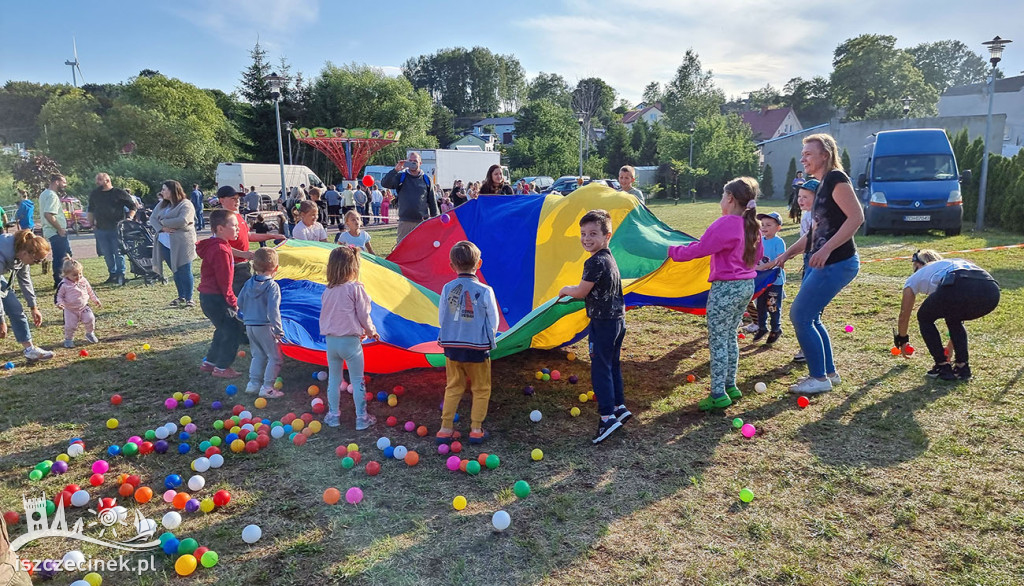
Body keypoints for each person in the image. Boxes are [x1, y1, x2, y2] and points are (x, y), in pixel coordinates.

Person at [773, 134, 864, 395]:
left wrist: (826, 249)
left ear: (825, 154)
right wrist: (786, 255)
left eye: (808, 154)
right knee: (811, 316)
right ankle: (829, 373)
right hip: (827, 261)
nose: (803, 158)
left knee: (800, 315)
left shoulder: (836, 178)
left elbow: (857, 217)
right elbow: (813, 231)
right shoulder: (822, 184)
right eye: (802, 154)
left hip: (837, 262)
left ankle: (817, 378)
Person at [667, 177, 762, 411]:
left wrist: (671, 251)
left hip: (726, 288)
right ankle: (730, 385)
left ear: (729, 198)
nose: (721, 201)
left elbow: (700, 249)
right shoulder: (752, 225)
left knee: (718, 340)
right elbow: (757, 257)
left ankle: (718, 393)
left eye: (722, 196)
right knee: (730, 336)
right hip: (745, 287)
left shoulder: (725, 223)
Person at [559, 210, 631, 443]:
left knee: (600, 368)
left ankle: (608, 417)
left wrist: (565, 290)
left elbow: (581, 292)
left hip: (603, 323)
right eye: (583, 234)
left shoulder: (594, 262)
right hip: (618, 320)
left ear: (607, 236)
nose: (586, 238)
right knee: (612, 365)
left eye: (593, 233)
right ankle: (619, 406)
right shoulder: (609, 258)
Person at [895, 250, 1000, 381]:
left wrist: (903, 340)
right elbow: (958, 312)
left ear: (917, 264)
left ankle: (942, 366)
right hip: (991, 291)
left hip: (959, 283)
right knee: (954, 317)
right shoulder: (952, 263)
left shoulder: (916, 277)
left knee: (924, 317)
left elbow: (904, 315)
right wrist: (950, 348)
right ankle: (962, 367)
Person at [436, 241, 499, 445]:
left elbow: (442, 317)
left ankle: (445, 428)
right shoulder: (485, 290)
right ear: (478, 263)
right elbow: (493, 320)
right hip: (477, 349)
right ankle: (476, 429)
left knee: (453, 386)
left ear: (452, 266)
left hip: (452, 347)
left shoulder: (447, 288)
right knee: (481, 388)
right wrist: (490, 336)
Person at [320, 246, 380, 430]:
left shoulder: (328, 291)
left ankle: (333, 415)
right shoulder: (355, 289)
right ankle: (361, 418)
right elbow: (363, 314)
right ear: (353, 268)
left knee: (334, 380)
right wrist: (371, 331)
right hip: (350, 342)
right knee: (357, 379)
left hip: (331, 342)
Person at [196, 209, 243, 378]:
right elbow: (225, 283)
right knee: (232, 331)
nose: (237, 229)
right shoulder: (221, 250)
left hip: (209, 298)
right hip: (216, 299)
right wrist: (234, 302)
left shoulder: (216, 245)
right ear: (220, 228)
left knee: (223, 329)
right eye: (234, 225)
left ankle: (210, 362)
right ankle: (222, 368)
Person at [217, 185, 285, 296]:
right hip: (234, 265)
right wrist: (243, 254)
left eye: (238, 199)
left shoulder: (237, 215)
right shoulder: (222, 219)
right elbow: (221, 245)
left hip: (244, 264)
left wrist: (272, 236)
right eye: (232, 198)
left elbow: (248, 236)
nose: (237, 201)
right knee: (240, 296)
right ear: (222, 200)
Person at [237, 247, 286, 397]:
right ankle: (267, 388)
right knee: (275, 357)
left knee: (257, 355)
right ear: (276, 268)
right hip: (265, 325)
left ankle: (253, 384)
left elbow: (240, 302)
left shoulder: (249, 283)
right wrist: (278, 330)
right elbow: (273, 310)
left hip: (250, 325)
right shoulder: (272, 286)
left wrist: (245, 317)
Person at [0, 230, 55, 361]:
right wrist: (1, 320)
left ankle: (30, 350)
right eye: (36, 261)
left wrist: (33, 307)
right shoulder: (3, 253)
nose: (36, 264)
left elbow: (25, 280)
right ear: (26, 254)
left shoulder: (21, 253)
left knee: (15, 308)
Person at [150, 180, 198, 308]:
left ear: (173, 190)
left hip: (182, 243)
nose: (162, 192)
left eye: (165, 189)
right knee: (175, 270)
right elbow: (153, 219)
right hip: (165, 243)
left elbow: (183, 220)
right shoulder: (162, 205)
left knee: (184, 269)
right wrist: (162, 228)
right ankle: (181, 296)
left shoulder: (186, 204)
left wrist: (163, 222)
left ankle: (189, 298)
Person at [88, 173, 138, 285]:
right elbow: (90, 209)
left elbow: (133, 206)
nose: (97, 182)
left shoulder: (119, 193)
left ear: (107, 180)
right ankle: (112, 274)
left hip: (117, 228)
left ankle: (121, 274)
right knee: (107, 253)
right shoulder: (95, 194)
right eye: (97, 180)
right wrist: (91, 223)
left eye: (100, 180)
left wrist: (129, 218)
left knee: (118, 252)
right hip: (101, 228)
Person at [789, 177, 819, 362]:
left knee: (809, 309)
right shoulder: (807, 215)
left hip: (815, 260)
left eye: (805, 196)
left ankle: (807, 349)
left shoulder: (816, 216)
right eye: (799, 196)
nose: (800, 200)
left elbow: (810, 241)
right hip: (808, 259)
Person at [381, 152, 439, 243]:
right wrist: (396, 170)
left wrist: (436, 220)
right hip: (405, 222)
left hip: (422, 222)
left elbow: (432, 201)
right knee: (402, 250)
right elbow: (384, 183)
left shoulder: (427, 179)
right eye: (410, 161)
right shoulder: (400, 177)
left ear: (420, 163)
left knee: (422, 249)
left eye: (415, 161)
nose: (412, 163)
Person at [753, 211, 786, 344]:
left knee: (772, 306)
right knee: (760, 305)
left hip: (774, 281)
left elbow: (780, 259)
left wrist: (764, 267)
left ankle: (776, 329)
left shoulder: (778, 242)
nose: (764, 227)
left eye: (769, 225)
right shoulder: (759, 240)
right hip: (761, 280)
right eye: (762, 224)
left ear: (778, 228)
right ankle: (762, 327)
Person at [55, 258, 101, 348]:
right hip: (70, 309)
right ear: (66, 274)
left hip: (83, 307)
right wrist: (59, 303)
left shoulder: (83, 281)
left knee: (90, 319)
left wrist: (95, 299)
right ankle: (68, 339)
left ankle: (90, 333)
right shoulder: (64, 284)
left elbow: (90, 291)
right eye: (75, 275)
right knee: (70, 325)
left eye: (80, 273)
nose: (78, 276)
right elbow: (58, 296)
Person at [39, 173, 71, 288]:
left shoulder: (44, 194)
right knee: (62, 257)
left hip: (51, 231)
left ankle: (62, 280)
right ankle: (59, 281)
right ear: (56, 182)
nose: (65, 185)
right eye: (63, 182)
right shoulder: (52, 195)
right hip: (56, 232)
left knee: (63, 255)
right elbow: (48, 214)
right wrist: (60, 229)